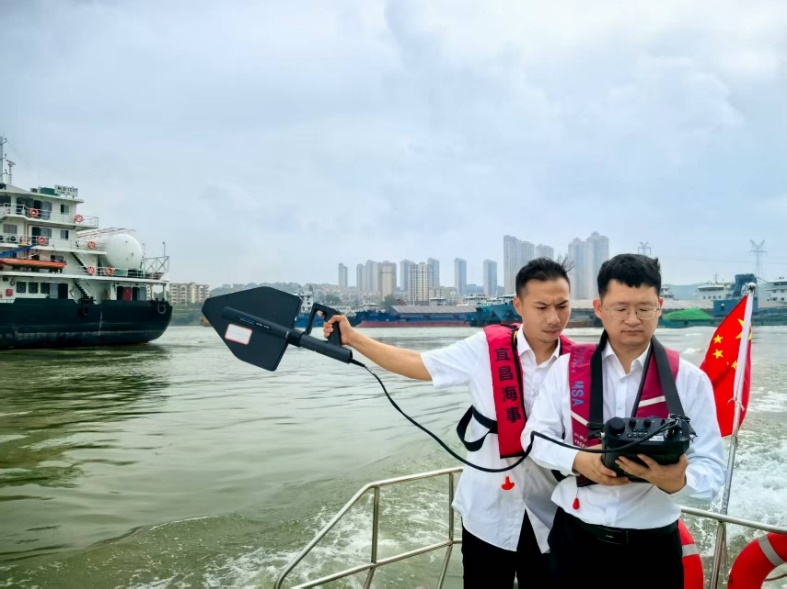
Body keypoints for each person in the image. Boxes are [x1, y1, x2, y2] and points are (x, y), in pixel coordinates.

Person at [323, 258, 573, 587]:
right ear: (518, 305)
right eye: (541, 307)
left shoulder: (579, 364)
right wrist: (354, 338)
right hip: (487, 514)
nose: (554, 318)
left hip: (551, 516)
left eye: (562, 306)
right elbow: (418, 363)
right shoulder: (485, 349)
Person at [522, 253, 725, 585]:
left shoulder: (690, 380)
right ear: (599, 308)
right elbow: (533, 438)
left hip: (653, 552)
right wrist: (579, 460)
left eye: (644, 308)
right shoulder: (567, 369)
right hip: (575, 540)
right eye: (620, 308)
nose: (633, 319)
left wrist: (679, 481)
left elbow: (713, 469)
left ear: (660, 307)